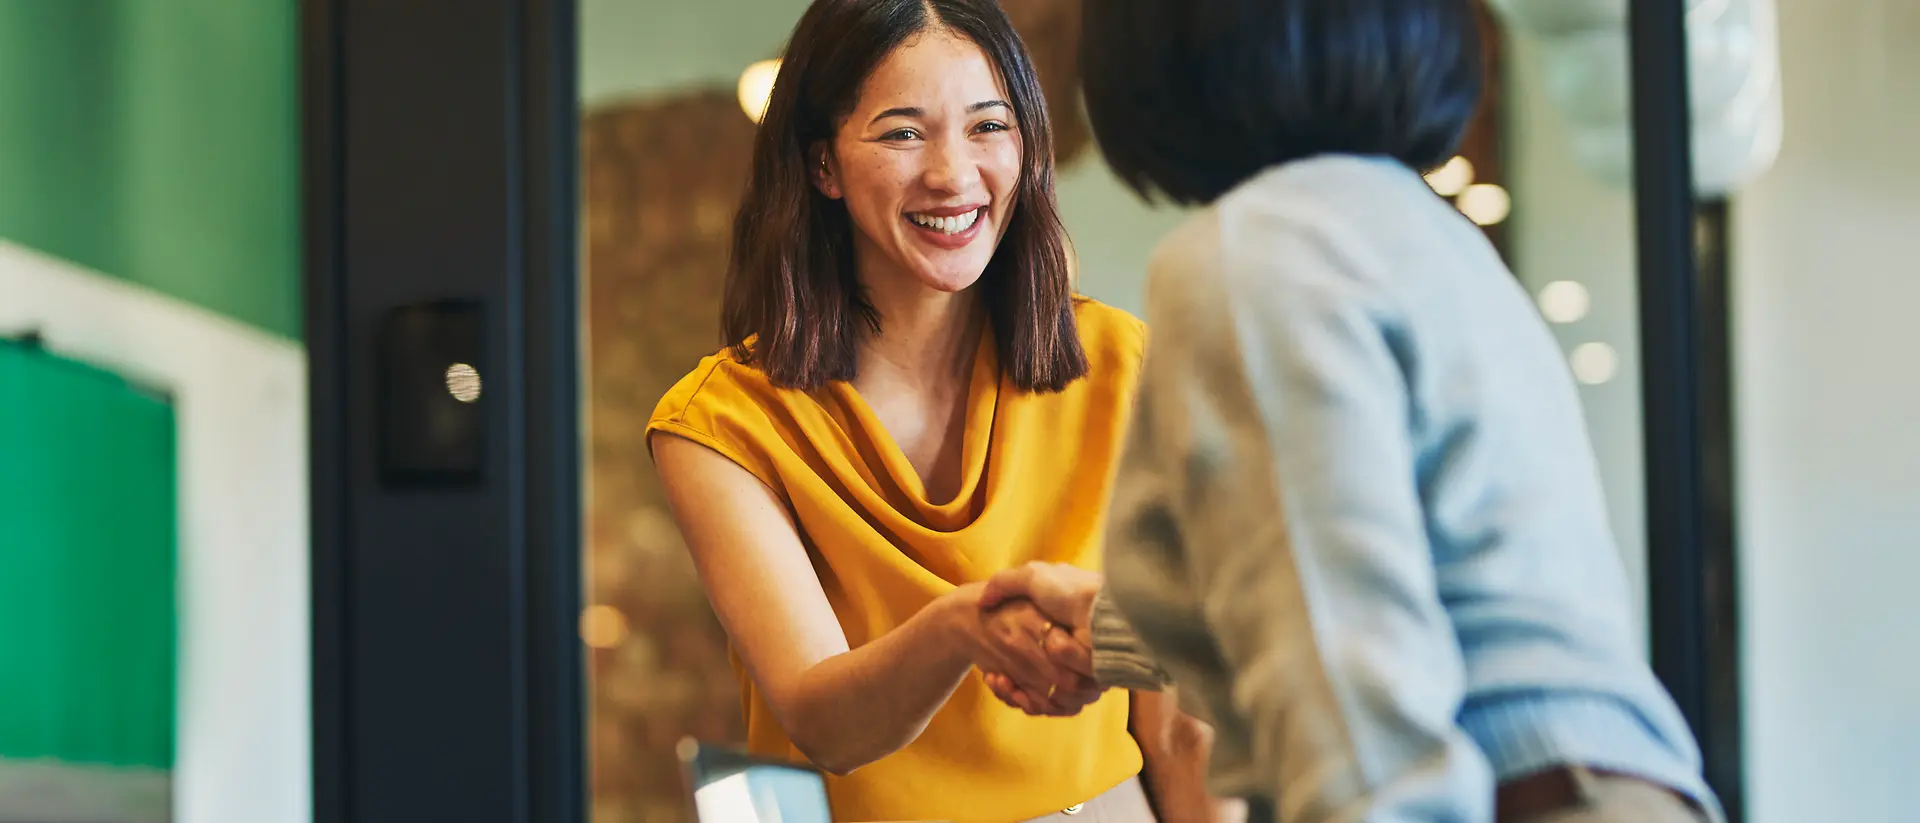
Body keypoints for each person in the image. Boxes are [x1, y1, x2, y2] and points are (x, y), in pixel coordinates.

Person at [975, 1, 1727, 822]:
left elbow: (1349, 691)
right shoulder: (1425, 236)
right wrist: (1107, 627)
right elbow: (1410, 576)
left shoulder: (1255, 255)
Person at [645, 1, 1222, 821]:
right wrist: (964, 626)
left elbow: (1181, 726)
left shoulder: (1123, 364)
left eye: (989, 126)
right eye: (903, 133)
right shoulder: (719, 424)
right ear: (823, 167)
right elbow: (822, 719)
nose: (954, 173)